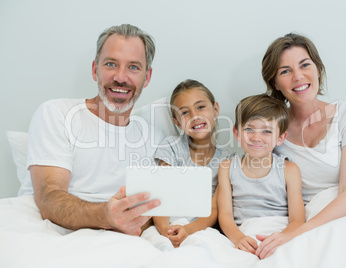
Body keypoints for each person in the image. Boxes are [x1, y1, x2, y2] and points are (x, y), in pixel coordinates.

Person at [20, 24, 161, 235]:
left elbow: (154, 210)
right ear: (95, 70)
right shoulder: (57, 114)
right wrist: (106, 216)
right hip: (54, 235)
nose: (121, 77)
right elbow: (49, 198)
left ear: (147, 77)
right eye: (111, 64)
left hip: (124, 242)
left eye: (133, 67)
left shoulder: (154, 138)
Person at [257, 32, 346, 256]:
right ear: (275, 83)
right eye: (285, 71)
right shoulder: (274, 130)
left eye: (305, 65)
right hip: (307, 216)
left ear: (318, 69)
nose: (298, 77)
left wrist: (298, 233)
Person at [142, 79, 233, 248]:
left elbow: (215, 208)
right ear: (177, 122)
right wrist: (166, 230)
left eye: (200, 107)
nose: (194, 116)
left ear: (215, 109)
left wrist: (188, 230)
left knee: (209, 244)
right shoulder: (171, 147)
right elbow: (160, 193)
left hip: (200, 226)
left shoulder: (227, 159)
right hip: (167, 223)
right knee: (152, 240)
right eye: (184, 112)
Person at [218, 94, 305, 258]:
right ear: (237, 133)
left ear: (280, 138)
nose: (256, 137)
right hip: (244, 234)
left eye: (266, 131)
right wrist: (239, 238)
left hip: (279, 232)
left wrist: (281, 238)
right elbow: (225, 215)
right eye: (249, 129)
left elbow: (297, 219)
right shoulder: (227, 167)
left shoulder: (289, 170)